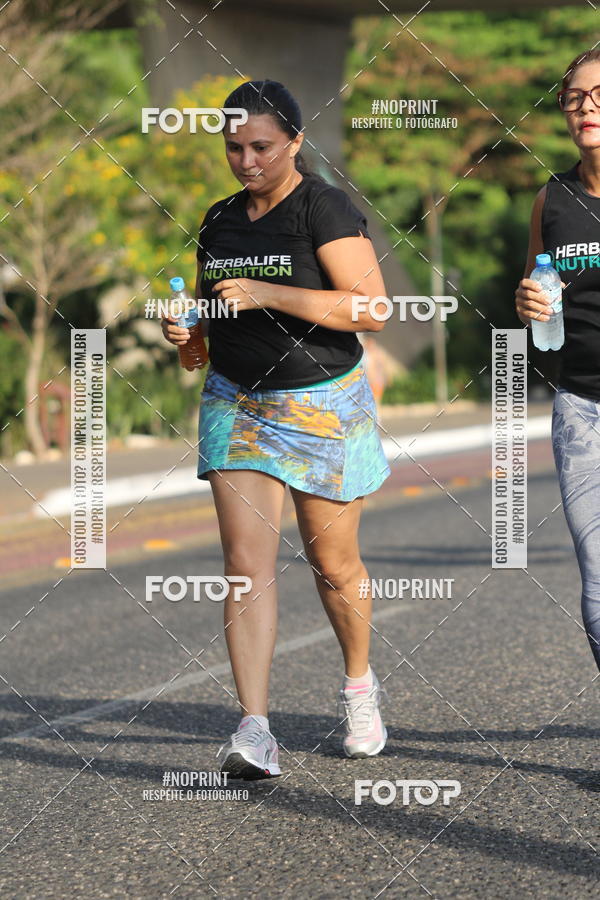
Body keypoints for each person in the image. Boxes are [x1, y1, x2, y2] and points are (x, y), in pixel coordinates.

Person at [162, 80, 392, 779]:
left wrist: (271, 292)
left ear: (293, 140)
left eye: (261, 146)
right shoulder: (220, 221)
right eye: (234, 147)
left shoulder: (324, 207)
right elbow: (201, 343)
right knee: (245, 569)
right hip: (237, 404)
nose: (247, 161)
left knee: (333, 565)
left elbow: (373, 309)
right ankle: (255, 729)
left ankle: (359, 686)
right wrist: (185, 331)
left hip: (321, 402)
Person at [515, 48, 600, 674]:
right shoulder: (554, 199)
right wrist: (528, 304)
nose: (586, 108)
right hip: (582, 406)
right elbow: (536, 297)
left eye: (598, 95)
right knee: (598, 574)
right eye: (574, 99)